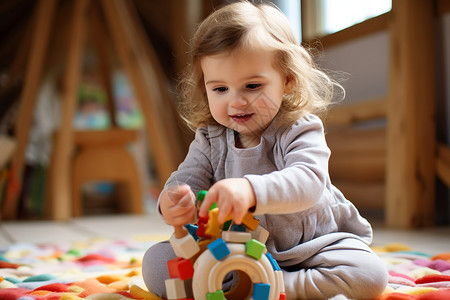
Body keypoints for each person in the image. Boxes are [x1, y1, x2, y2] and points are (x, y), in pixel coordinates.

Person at [142, 1, 388, 299]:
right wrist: (175, 201)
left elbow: (308, 182)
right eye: (220, 89)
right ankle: (241, 282)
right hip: (235, 252)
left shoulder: (299, 128)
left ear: (287, 81)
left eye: (252, 86)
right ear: (204, 87)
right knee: (155, 264)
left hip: (313, 246)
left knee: (369, 276)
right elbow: (187, 180)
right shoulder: (209, 138)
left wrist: (250, 191)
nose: (236, 101)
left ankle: (269, 286)